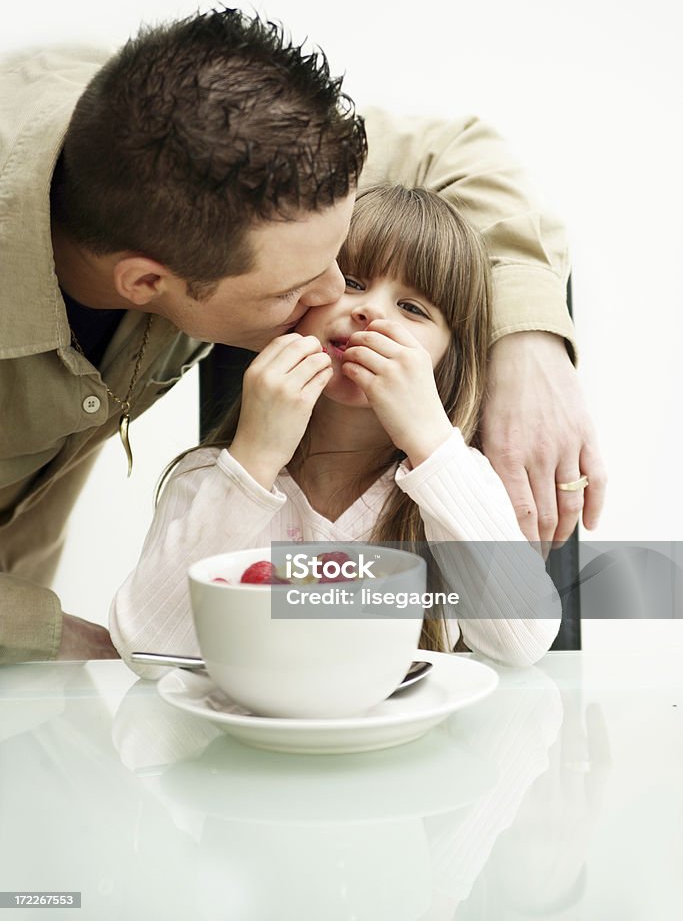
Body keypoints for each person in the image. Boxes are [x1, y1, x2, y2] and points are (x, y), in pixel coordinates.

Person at [0, 7, 603, 664]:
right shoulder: (218, 480)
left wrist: (526, 343)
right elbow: (154, 641)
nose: (337, 301)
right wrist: (50, 638)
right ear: (146, 283)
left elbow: (459, 152)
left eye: (338, 261)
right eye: (306, 287)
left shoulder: (225, 144)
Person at [111, 186, 561, 671]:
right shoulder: (212, 477)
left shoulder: (458, 482)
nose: (372, 312)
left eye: (413, 309)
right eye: (351, 281)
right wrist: (254, 460)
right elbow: (148, 652)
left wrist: (431, 440)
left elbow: (523, 642)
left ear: (447, 362)